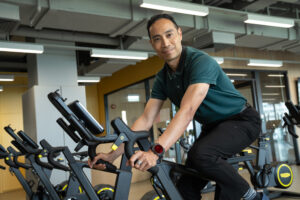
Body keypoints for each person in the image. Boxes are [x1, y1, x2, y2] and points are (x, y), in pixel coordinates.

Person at [89, 14, 268, 200]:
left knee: (202, 155)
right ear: (152, 44)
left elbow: (187, 110)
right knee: (185, 184)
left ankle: (251, 196)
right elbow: (145, 119)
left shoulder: (200, 62)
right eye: (157, 39)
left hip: (242, 121)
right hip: (213, 128)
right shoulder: (163, 77)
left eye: (169, 35)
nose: (165, 43)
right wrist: (111, 155)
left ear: (180, 34)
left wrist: (155, 152)